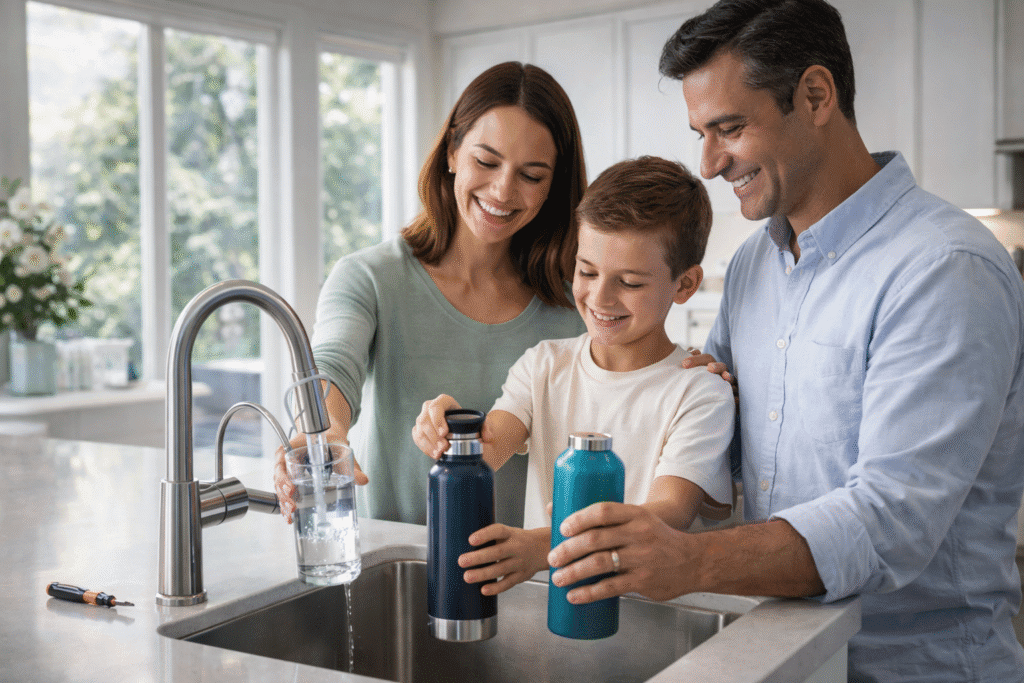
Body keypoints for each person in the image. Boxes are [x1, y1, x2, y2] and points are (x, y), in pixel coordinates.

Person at [545, 2, 1024, 681]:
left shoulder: (945, 269)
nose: (709, 162)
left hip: (913, 669)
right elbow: (719, 447)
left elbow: (891, 518)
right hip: (786, 655)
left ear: (816, 96)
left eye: (729, 128)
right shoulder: (752, 266)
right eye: (700, 133)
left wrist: (691, 562)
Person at [274, 62, 588, 525]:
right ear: (451, 153)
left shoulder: (577, 302)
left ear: (553, 186)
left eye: (532, 174)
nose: (503, 189)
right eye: (486, 161)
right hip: (394, 564)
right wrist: (324, 432)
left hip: (526, 578)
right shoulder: (370, 277)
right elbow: (333, 363)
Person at [413, 156, 735, 595]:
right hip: (552, 616)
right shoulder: (544, 364)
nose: (600, 297)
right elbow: (490, 447)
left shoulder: (699, 393)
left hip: (654, 622)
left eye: (630, 282)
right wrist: (452, 435)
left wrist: (544, 547)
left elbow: (668, 512)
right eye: (587, 271)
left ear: (684, 285)